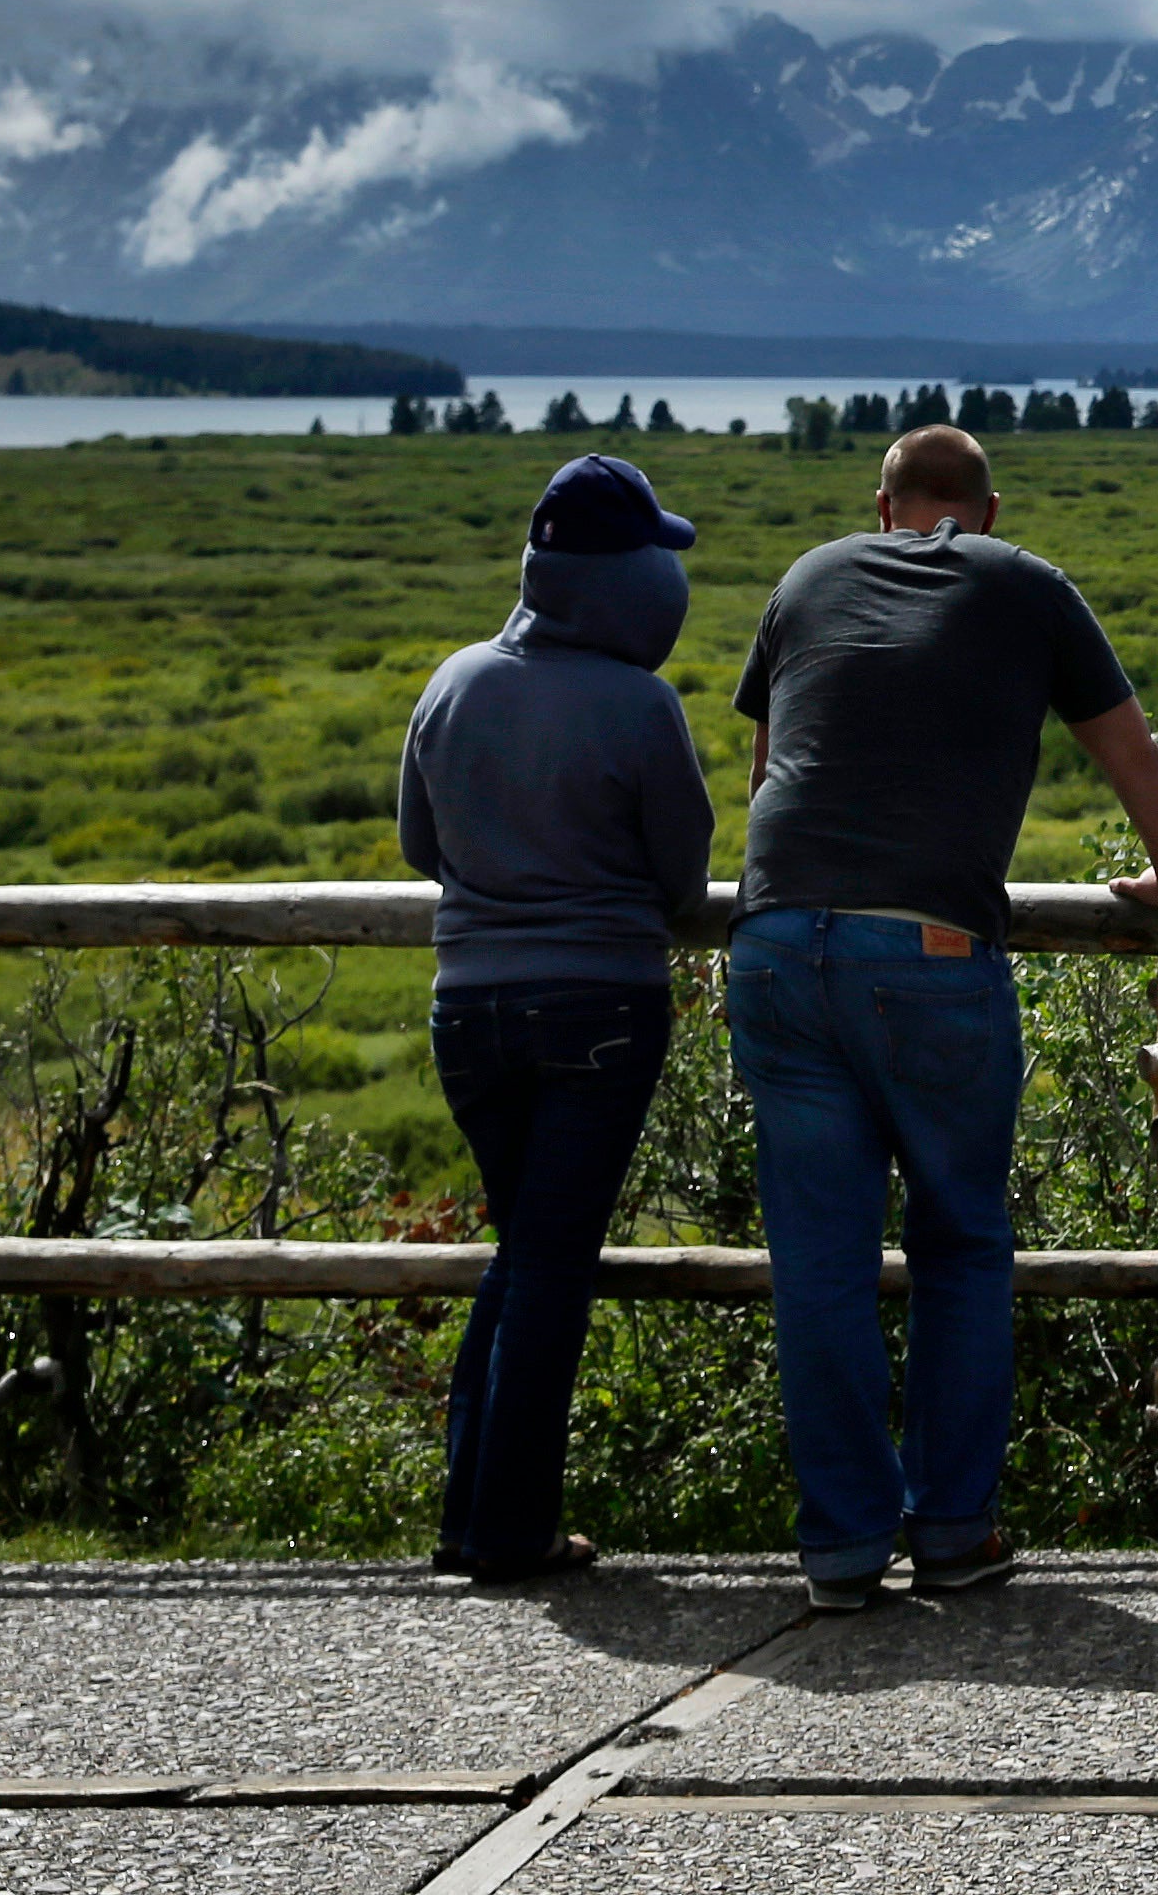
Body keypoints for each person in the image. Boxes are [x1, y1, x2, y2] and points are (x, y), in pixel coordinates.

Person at [729, 423, 1158, 1611]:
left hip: (779, 939)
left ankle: (841, 1546)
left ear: (879, 502)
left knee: (820, 1262)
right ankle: (952, 1529)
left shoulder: (807, 576)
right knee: (959, 1240)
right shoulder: (1026, 582)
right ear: (988, 511)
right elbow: (1133, 754)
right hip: (931, 945)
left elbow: (765, 775)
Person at [397, 452, 718, 1583]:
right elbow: (684, 885)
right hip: (599, 1006)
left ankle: (469, 1512)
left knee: (523, 1251)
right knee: (552, 1263)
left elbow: (417, 849)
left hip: (465, 1009)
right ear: (625, 581)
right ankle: (508, 1529)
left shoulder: (453, 680)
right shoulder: (640, 703)